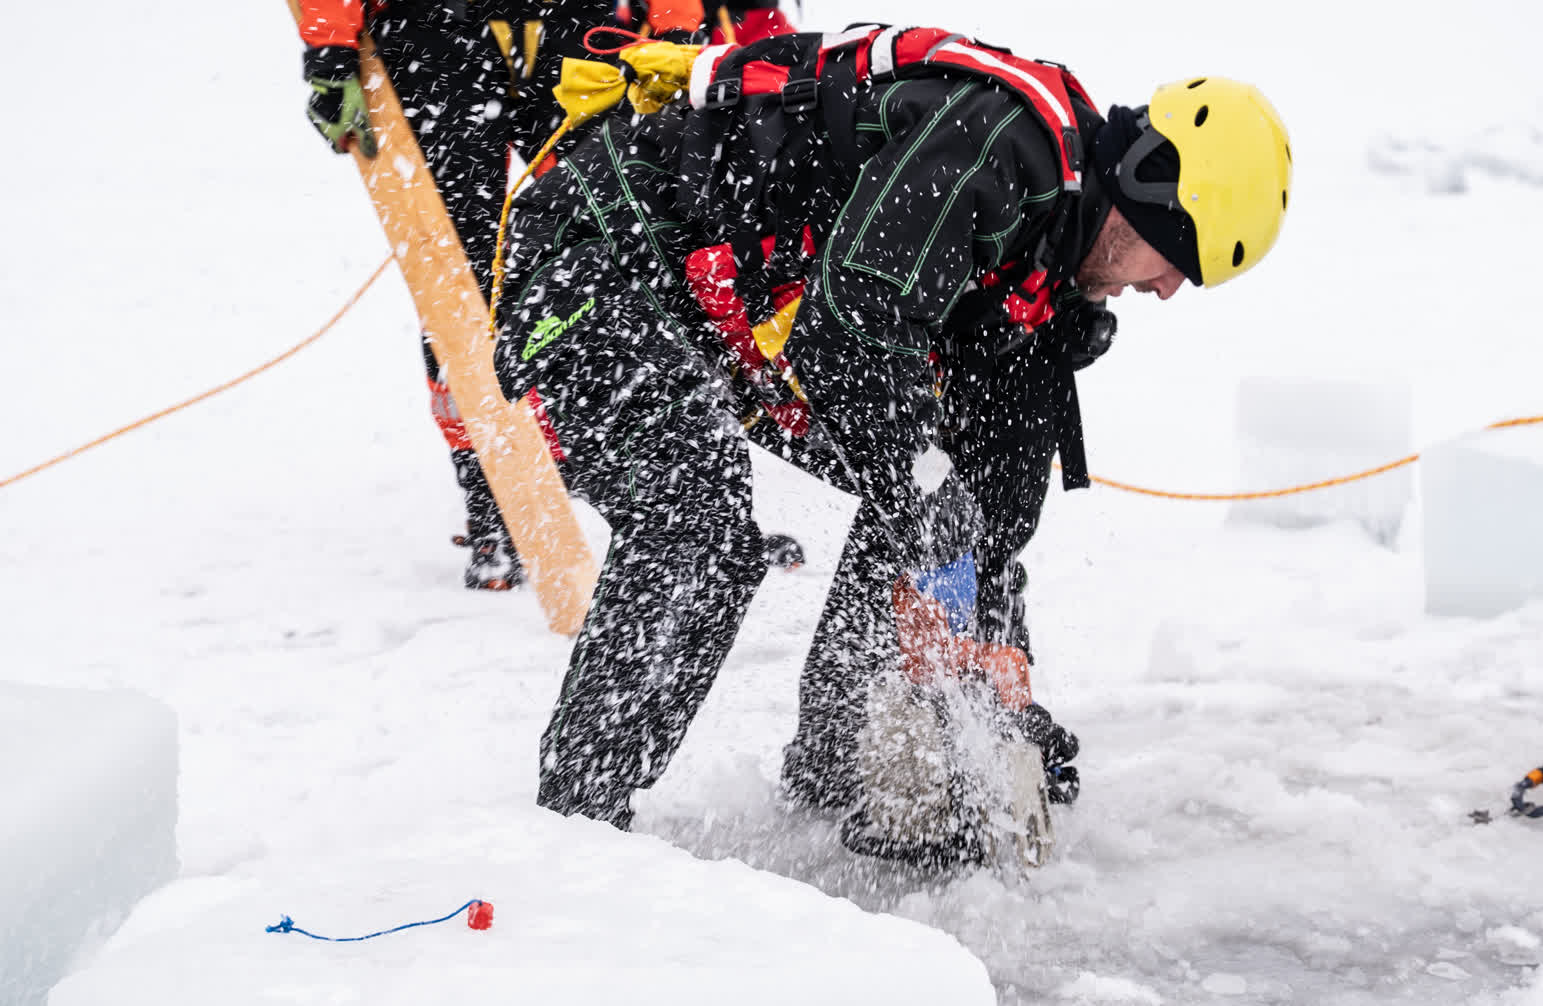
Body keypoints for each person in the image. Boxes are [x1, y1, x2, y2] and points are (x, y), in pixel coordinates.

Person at [490, 25, 1292, 830]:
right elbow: (849, 337)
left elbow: (987, 492)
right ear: (1153, 192)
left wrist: (990, 658)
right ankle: (576, 832)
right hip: (594, 258)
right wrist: (937, 548)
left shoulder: (1051, 273)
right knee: (701, 525)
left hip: (716, 317)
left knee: (929, 504)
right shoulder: (998, 147)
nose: (1169, 291)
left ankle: (843, 767)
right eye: (1179, 258)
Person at [294, 0, 798, 588]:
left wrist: (676, 24)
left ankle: (694, 504)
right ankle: (495, 508)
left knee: (633, 242)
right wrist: (329, 45)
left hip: (575, 23)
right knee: (461, 284)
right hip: (431, 33)